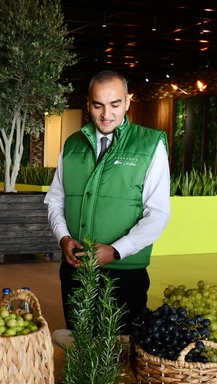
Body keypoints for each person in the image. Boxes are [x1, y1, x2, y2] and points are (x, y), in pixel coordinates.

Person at [45, 70, 171, 333]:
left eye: (115, 104)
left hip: (125, 273)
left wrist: (115, 251)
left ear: (127, 101)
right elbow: (55, 200)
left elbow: (158, 213)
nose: (106, 114)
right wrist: (64, 238)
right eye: (98, 105)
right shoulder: (72, 145)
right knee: (78, 344)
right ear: (88, 104)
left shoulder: (149, 144)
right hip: (76, 268)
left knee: (121, 349)